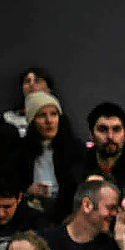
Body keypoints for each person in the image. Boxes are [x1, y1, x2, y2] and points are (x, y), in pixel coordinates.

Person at [12, 91, 82, 220]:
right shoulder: (21, 150)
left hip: (67, 214)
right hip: (31, 212)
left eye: (54, 114)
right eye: (42, 115)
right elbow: (13, 182)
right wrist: (27, 189)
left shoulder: (75, 149)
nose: (49, 121)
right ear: (32, 121)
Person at [82, 102, 125, 189]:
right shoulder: (77, 170)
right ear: (91, 135)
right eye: (103, 129)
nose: (110, 136)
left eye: (116, 129)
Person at [3, 67, 55, 138]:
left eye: (37, 81)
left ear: (48, 89)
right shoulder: (8, 118)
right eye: (27, 81)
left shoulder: (57, 118)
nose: (31, 84)